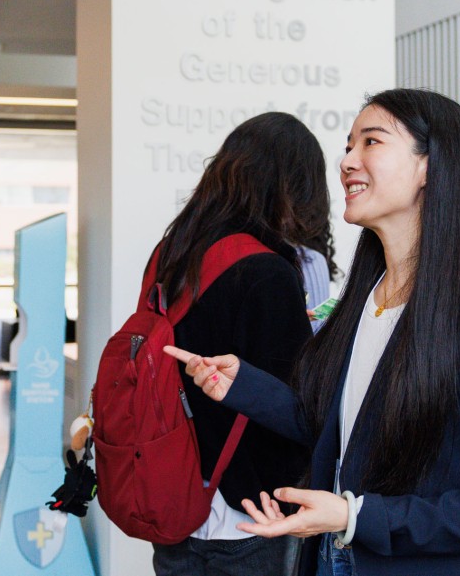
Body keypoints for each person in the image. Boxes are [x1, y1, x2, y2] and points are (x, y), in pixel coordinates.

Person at [168, 89, 460, 576]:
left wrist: (357, 516)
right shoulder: (362, 300)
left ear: (429, 168)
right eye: (348, 145)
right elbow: (337, 428)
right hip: (332, 560)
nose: (347, 160)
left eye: (370, 142)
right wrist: (242, 384)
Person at [148, 112, 328, 576]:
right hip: (252, 514)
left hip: (177, 499)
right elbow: (291, 408)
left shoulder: (172, 255)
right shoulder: (268, 271)